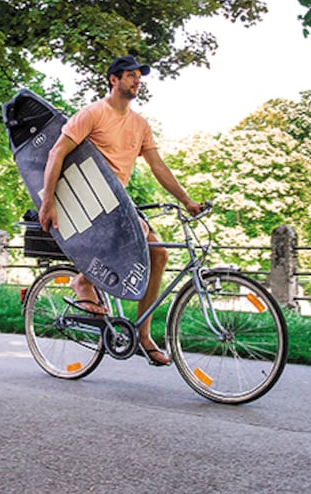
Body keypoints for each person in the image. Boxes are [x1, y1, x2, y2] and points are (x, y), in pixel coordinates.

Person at [39, 55, 203, 367]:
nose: (137, 80)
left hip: (118, 202)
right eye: (130, 75)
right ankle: (83, 281)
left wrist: (187, 200)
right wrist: (48, 201)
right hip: (88, 199)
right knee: (138, 230)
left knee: (159, 254)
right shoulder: (93, 114)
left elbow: (158, 166)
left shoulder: (140, 124)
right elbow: (56, 152)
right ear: (113, 80)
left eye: (139, 76)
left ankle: (143, 335)